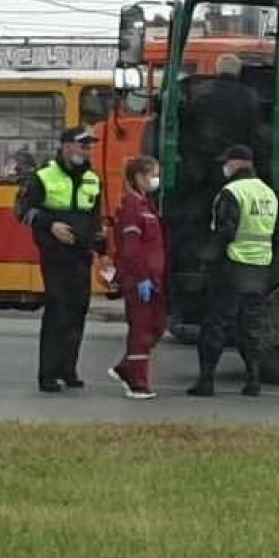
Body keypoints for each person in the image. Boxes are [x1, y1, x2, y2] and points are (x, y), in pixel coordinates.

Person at [15, 126, 106, 392]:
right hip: (55, 255)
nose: (86, 150)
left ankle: (69, 368)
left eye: (89, 146)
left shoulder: (92, 178)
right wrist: (51, 225)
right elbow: (23, 211)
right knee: (57, 311)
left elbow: (95, 216)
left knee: (78, 311)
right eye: (82, 145)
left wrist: (101, 246)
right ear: (65, 147)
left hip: (81, 254)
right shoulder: (42, 177)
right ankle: (48, 373)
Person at [189, 143, 278, 398]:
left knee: (216, 324)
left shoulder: (232, 192)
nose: (224, 167)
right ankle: (254, 380)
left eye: (226, 162)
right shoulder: (268, 193)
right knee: (250, 327)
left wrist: (206, 259)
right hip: (260, 267)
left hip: (232, 266)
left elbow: (225, 231)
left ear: (237, 163)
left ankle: (206, 381)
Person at [109, 155, 167, 401]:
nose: (155, 179)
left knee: (156, 327)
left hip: (153, 279)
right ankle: (138, 383)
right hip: (139, 279)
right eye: (151, 174)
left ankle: (126, 368)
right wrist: (141, 277)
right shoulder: (133, 208)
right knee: (141, 331)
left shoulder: (146, 205)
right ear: (138, 177)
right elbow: (131, 249)